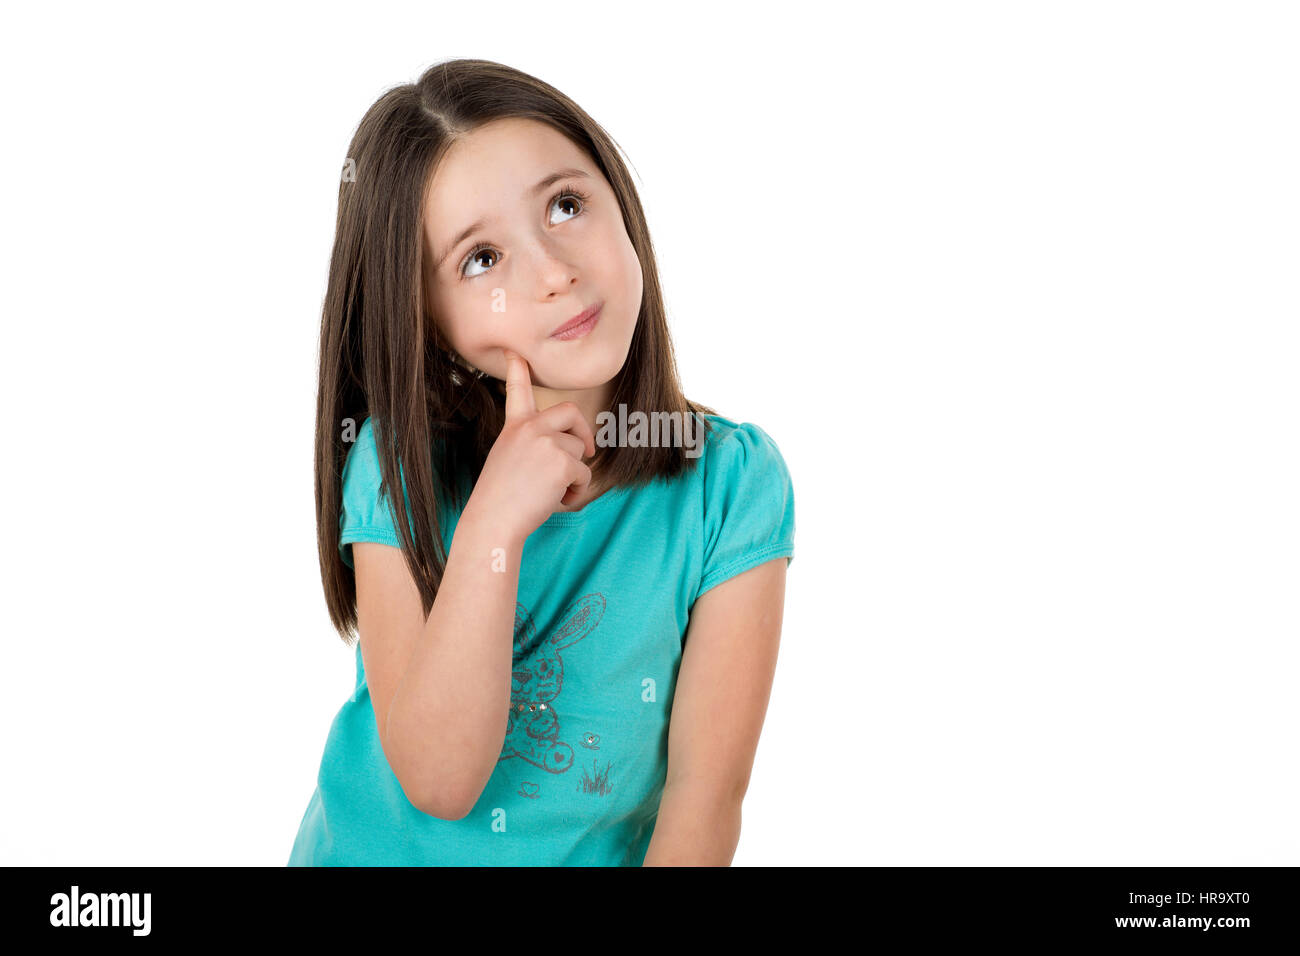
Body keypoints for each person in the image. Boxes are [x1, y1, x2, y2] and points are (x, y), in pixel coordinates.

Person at [288, 58, 795, 866]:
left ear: (620, 199)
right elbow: (440, 778)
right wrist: (496, 516)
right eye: (480, 260)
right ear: (428, 318)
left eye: (566, 205)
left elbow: (704, 801)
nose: (555, 272)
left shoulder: (730, 486)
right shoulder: (396, 465)